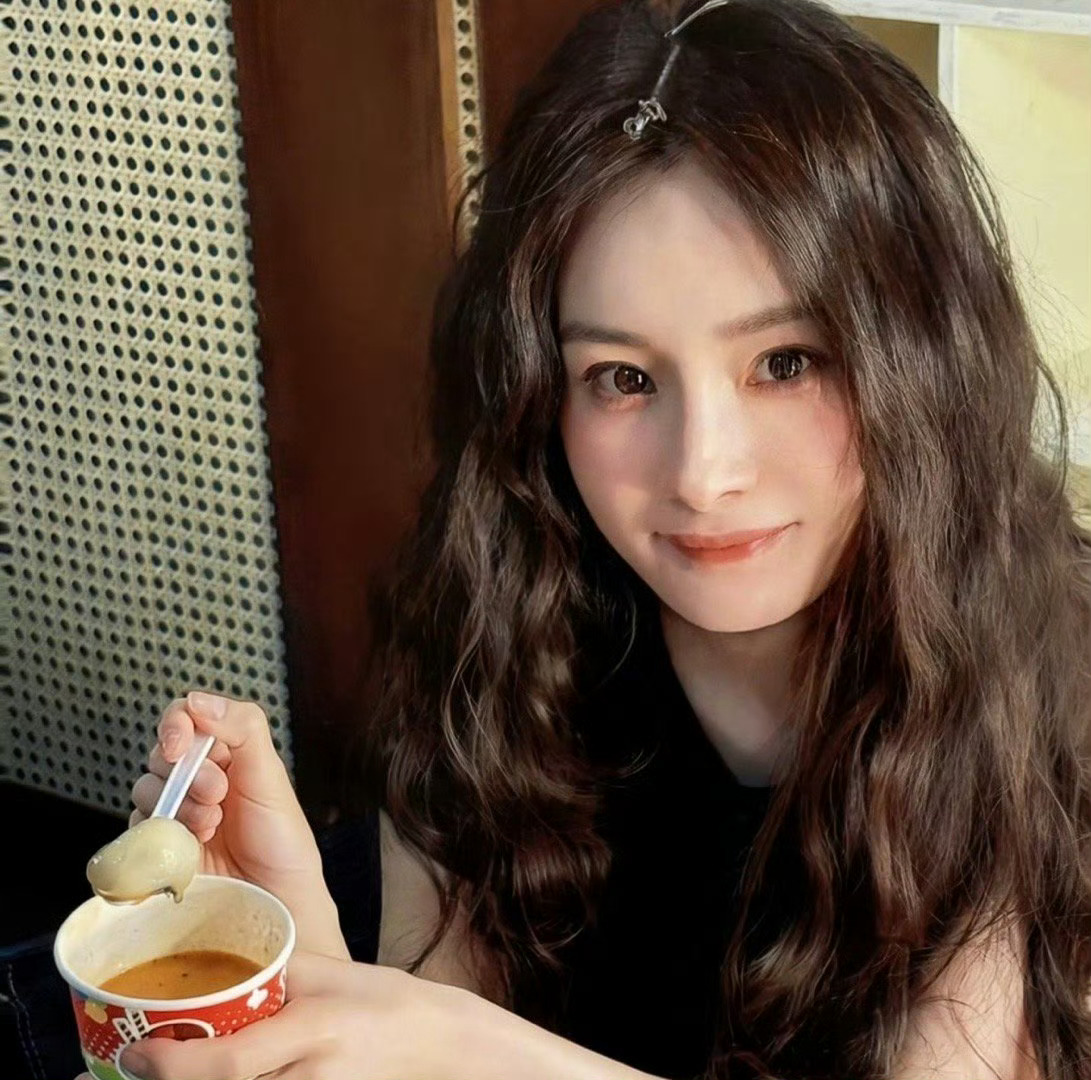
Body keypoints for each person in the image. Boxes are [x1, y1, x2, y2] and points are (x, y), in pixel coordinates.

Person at [77, 0, 1091, 1077]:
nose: (702, 472)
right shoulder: (491, 645)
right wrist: (306, 962)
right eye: (622, 378)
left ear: (920, 355)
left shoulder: (1043, 691)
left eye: (785, 363)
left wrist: (468, 1045)